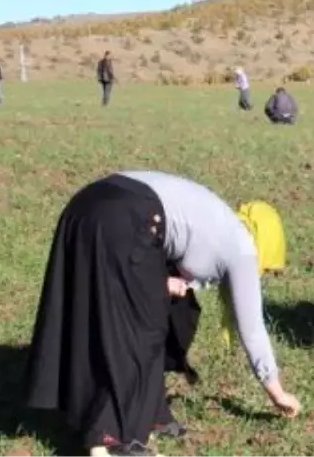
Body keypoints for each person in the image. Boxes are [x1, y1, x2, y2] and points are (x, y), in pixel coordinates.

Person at [23, 171, 300, 455]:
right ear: (266, 243)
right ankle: (111, 438)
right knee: (143, 329)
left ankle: (151, 412)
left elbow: (161, 258)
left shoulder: (221, 219)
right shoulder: (242, 248)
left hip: (87, 204)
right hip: (128, 216)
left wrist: (164, 283)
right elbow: (251, 328)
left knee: (119, 313)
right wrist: (277, 392)